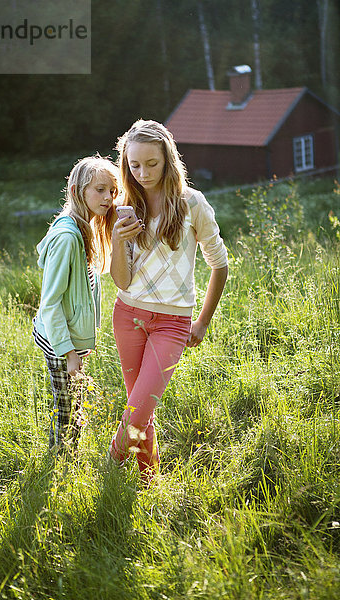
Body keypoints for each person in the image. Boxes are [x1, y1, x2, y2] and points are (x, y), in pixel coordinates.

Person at [108, 119, 228, 485]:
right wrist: (116, 238)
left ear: (168, 160)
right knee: (141, 409)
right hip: (127, 314)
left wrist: (203, 321)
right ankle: (148, 483)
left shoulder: (192, 204)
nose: (142, 173)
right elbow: (122, 280)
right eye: (134, 165)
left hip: (172, 323)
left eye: (151, 164)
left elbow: (220, 264)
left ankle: (106, 469)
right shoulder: (126, 206)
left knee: (137, 409)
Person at [33, 156, 119, 453]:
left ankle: (68, 458)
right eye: (100, 190)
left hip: (71, 339)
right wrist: (70, 353)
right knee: (67, 407)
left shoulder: (86, 229)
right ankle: (63, 463)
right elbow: (50, 303)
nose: (108, 197)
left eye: (112, 191)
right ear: (75, 191)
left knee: (73, 401)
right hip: (61, 341)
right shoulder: (68, 237)